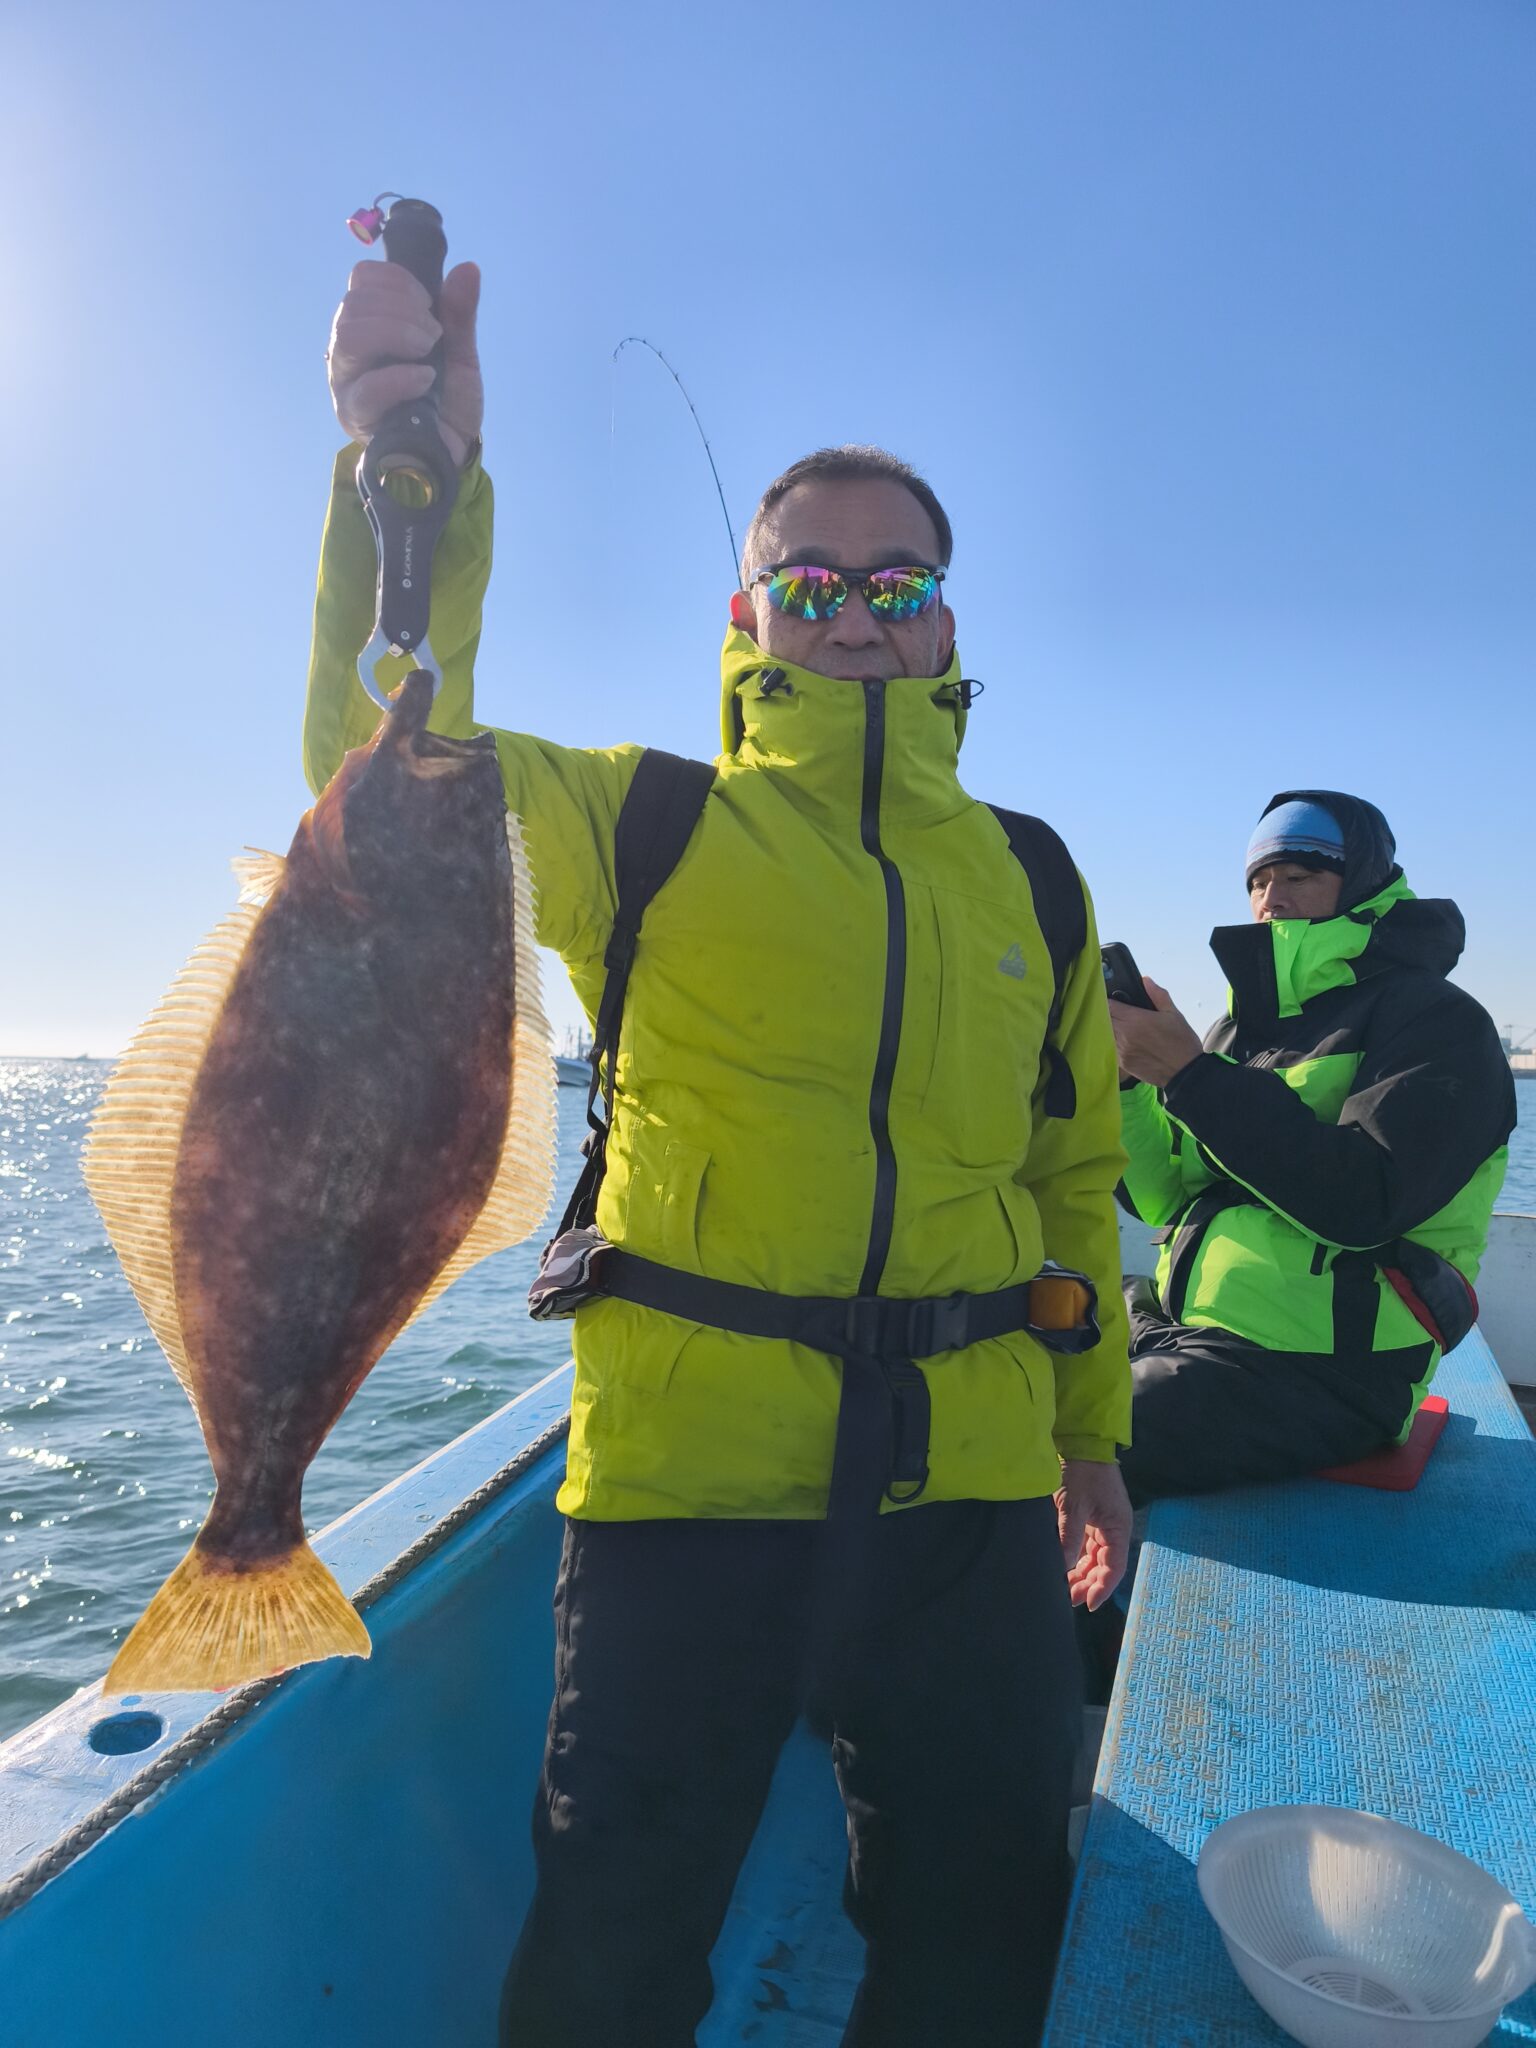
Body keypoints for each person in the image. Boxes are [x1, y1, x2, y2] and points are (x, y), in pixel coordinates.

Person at [308, 254, 1133, 2047]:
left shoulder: (1037, 875)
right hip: (687, 1496)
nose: (857, 612)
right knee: (613, 1945)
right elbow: (382, 769)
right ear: (749, 611)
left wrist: (1093, 1438)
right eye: (812, 580)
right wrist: (409, 494)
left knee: (985, 1921)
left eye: (898, 582)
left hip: (972, 1495)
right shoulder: (640, 819)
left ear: (945, 622)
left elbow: (1076, 1180)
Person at [1108, 791, 1516, 1506]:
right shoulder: (1241, 1030)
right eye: (1259, 881)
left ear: (1361, 882)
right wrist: (1128, 1088)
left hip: (1329, 1369)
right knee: (1000, 1339)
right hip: (1191, 1327)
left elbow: (1365, 1201)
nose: (1273, 898)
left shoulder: (1440, 1022)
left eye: (1299, 876)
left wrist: (1192, 1077)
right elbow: (1166, 1198)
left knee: (1057, 1435)